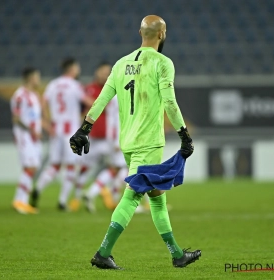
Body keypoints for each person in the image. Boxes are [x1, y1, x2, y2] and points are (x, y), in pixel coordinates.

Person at [69, 15, 201, 269]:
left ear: (139, 32)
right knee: (132, 197)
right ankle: (103, 252)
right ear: (162, 34)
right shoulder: (162, 63)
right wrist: (184, 135)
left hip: (127, 143)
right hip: (148, 143)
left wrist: (84, 129)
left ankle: (176, 255)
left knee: (157, 196)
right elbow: (170, 103)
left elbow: (102, 99)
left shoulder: (120, 64)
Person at [31, 58, 92, 211]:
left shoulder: (52, 85)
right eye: (77, 67)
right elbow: (87, 102)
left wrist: (47, 120)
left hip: (56, 129)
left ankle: (38, 188)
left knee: (54, 165)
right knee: (71, 167)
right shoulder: (75, 86)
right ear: (71, 69)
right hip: (70, 131)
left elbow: (43, 103)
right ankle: (62, 201)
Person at [69, 62, 128, 213]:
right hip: (98, 139)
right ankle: (85, 195)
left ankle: (111, 198)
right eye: (104, 72)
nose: (106, 75)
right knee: (112, 168)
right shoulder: (104, 92)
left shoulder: (114, 92)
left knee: (119, 168)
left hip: (109, 138)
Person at [11, 68, 44, 214]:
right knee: (29, 167)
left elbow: (35, 118)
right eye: (37, 77)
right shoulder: (20, 96)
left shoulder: (35, 95)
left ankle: (20, 199)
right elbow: (16, 118)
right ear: (30, 78)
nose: (39, 79)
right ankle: (20, 201)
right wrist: (31, 130)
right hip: (25, 136)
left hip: (34, 137)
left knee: (33, 167)